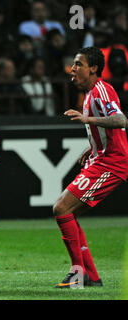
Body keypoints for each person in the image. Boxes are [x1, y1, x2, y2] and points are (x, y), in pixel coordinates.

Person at [54, 46, 128, 288]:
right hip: (101, 158)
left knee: (62, 208)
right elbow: (108, 129)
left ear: (94, 68)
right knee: (68, 212)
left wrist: (88, 119)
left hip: (112, 163)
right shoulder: (90, 94)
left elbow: (120, 120)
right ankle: (91, 276)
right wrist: (92, 146)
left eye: (78, 64)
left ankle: (80, 273)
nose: (72, 69)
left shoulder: (101, 91)